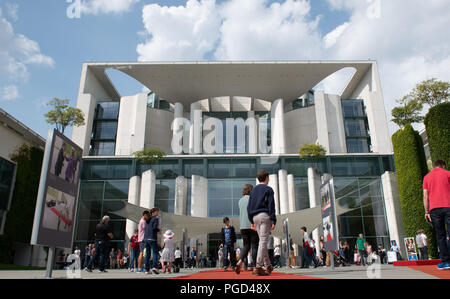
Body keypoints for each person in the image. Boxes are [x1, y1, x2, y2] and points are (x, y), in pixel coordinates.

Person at [247, 170, 277, 276]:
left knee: (262, 242)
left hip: (255, 217)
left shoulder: (253, 190)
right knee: (263, 242)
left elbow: (249, 206)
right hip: (264, 216)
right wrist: (273, 219)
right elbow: (271, 205)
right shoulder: (268, 189)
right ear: (267, 178)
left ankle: (268, 265)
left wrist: (251, 221)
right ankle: (258, 266)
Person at [423, 160, 450, 270]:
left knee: (440, 235)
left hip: (434, 209)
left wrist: (426, 212)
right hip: (448, 206)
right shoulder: (448, 173)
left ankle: (445, 261)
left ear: (434, 166)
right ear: (443, 165)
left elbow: (425, 196)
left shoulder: (427, 177)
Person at [235, 184, 259, 274]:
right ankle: (255, 267)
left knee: (246, 246)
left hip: (243, 227)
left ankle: (240, 261)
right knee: (254, 246)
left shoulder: (240, 201)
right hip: (252, 225)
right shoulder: (253, 200)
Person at [144, 208, 160, 274]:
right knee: (155, 253)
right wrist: (158, 230)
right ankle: (154, 267)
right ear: (153, 213)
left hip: (146, 238)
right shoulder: (155, 219)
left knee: (147, 254)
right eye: (156, 212)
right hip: (152, 238)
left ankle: (147, 269)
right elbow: (154, 228)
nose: (157, 213)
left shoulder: (147, 219)